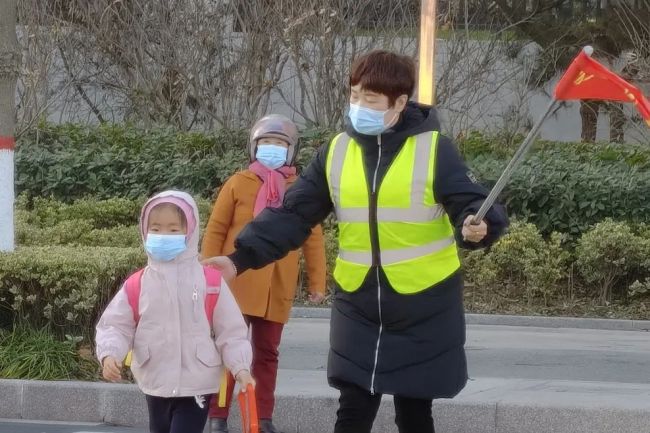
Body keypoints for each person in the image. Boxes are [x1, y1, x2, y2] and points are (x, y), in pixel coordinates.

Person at [204, 50, 509, 433]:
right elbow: (293, 215)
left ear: (399, 102)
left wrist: (479, 225)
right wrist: (237, 260)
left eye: (370, 99)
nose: (358, 106)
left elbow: (474, 202)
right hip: (359, 301)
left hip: (424, 301)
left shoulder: (435, 149)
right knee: (352, 408)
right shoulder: (335, 152)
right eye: (354, 95)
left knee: (414, 411)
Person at [202, 114, 327, 433]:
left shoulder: (300, 190)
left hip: (277, 288)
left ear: (291, 150)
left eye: (281, 144)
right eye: (266, 143)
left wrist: (317, 282)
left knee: (267, 353)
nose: (273, 148)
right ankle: (217, 415)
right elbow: (216, 229)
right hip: (237, 282)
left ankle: (262, 416)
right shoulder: (238, 182)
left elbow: (313, 238)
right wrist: (207, 273)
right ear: (254, 147)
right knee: (230, 350)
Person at [96, 190, 254, 433]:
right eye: (156, 229)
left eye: (173, 229)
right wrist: (109, 355)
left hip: (197, 383)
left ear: (189, 232)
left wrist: (241, 367)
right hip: (154, 380)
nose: (163, 235)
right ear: (144, 231)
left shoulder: (209, 281)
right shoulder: (138, 283)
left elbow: (231, 332)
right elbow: (116, 325)